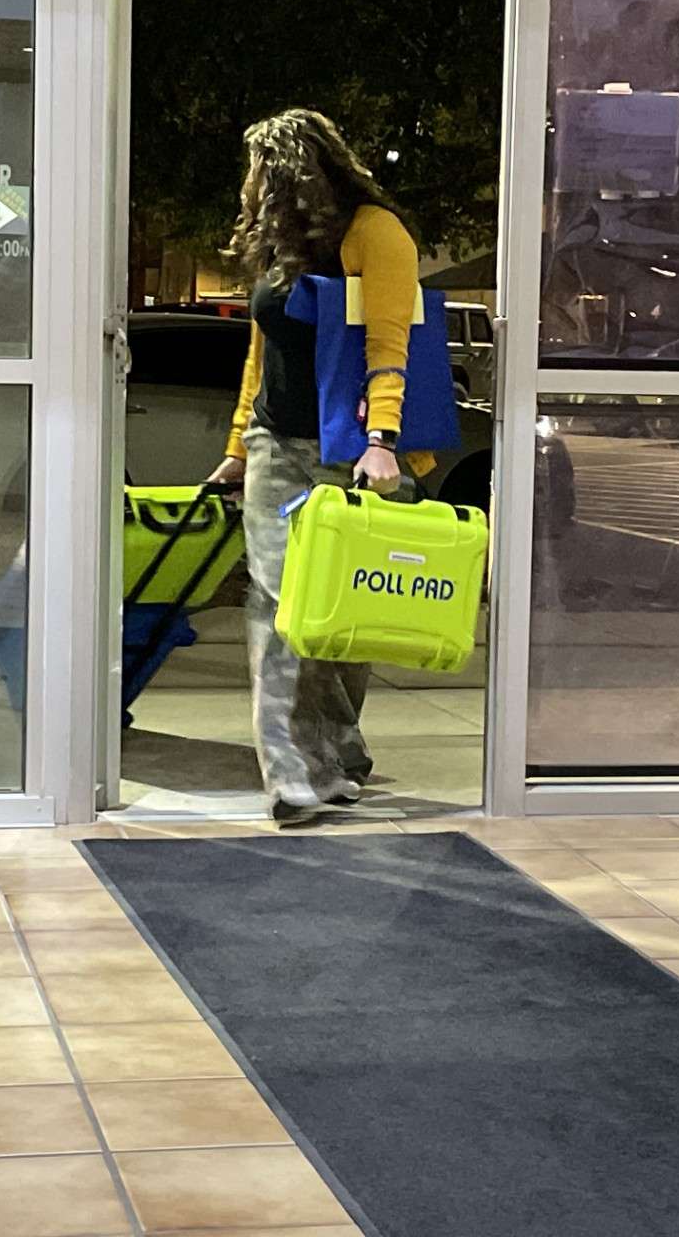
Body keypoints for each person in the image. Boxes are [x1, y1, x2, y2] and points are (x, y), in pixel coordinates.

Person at [207, 108, 424, 823]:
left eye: (258, 169)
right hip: (280, 447)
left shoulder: (374, 234)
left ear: (293, 171)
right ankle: (291, 773)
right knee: (277, 608)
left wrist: (383, 439)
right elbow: (258, 356)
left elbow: (389, 339)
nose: (250, 184)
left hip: (354, 454)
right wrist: (240, 448)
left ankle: (335, 752)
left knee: (344, 619)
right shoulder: (280, 247)